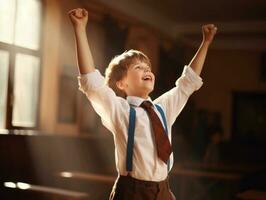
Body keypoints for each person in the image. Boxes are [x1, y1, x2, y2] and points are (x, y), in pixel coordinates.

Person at [68, 7, 217, 200]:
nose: (147, 69)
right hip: (132, 192)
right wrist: (80, 29)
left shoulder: (163, 109)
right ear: (122, 83)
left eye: (148, 67)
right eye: (138, 67)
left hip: (164, 190)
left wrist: (205, 43)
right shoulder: (120, 111)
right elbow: (91, 82)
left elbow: (188, 83)